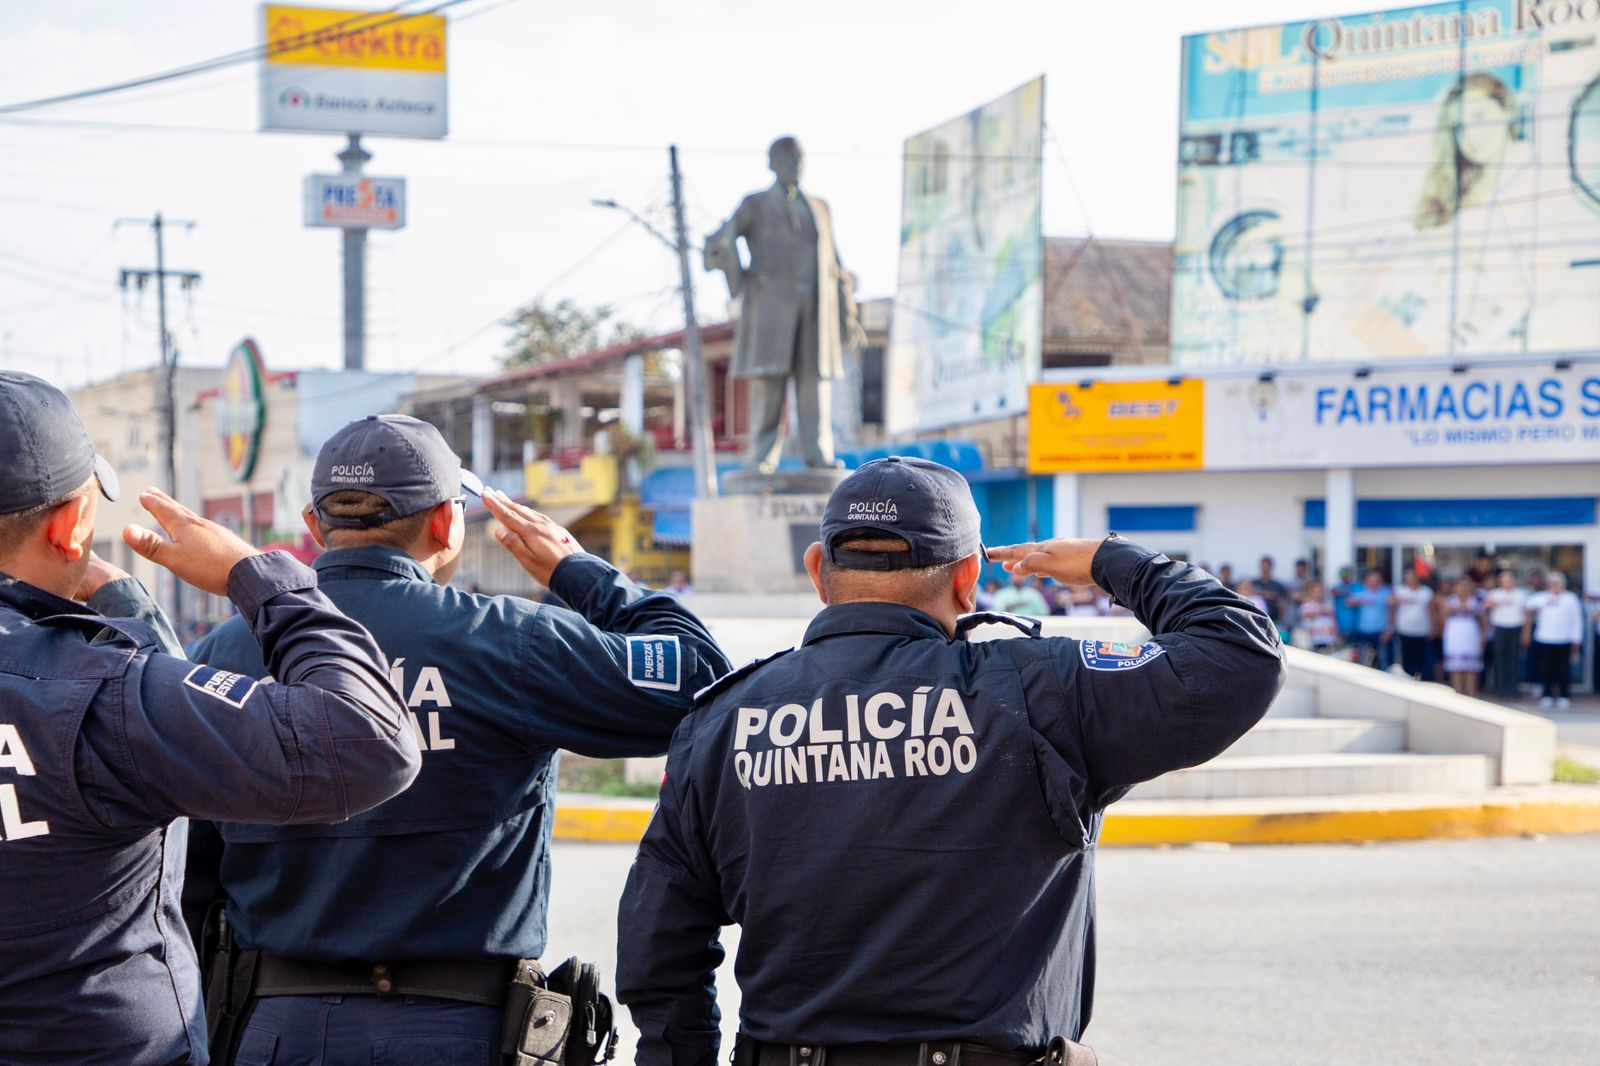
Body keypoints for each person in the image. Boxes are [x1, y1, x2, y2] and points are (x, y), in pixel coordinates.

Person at [614, 456, 1284, 1066]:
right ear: (968, 580)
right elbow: (1238, 659)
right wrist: (1116, 561)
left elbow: (660, 944)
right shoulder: (1037, 689)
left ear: (818, 569)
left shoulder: (723, 721)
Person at [186, 415, 732, 1063]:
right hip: (456, 1033)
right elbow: (701, 681)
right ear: (447, 523)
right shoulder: (506, 640)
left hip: (276, 1031)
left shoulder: (217, 657)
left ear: (315, 525)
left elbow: (189, 876)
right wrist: (578, 573)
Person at [0, 373, 419, 1064]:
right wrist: (258, 577)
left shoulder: (108, 691)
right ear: (74, 526)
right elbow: (367, 739)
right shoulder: (103, 695)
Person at [1524, 572, 1583, 709]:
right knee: (1546, 669)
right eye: (1551, 583)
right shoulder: (1542, 597)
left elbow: (1577, 619)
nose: (1554, 586)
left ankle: (1563, 695)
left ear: (1563, 584)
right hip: (1545, 638)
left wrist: (1577, 638)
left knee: (1563, 669)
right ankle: (1547, 695)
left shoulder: (1570, 598)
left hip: (1564, 638)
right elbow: (1527, 605)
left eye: (1557, 583)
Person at [1484, 570, 1528, 700]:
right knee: (1500, 660)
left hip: (1516, 628)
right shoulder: (1494, 594)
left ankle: (1513, 690)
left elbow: (1527, 615)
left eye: (1509, 580)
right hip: (1500, 628)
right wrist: (1493, 604)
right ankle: (1501, 690)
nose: (1507, 583)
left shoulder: (1521, 595)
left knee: (1514, 660)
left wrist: (1526, 633)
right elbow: (1485, 608)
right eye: (1504, 581)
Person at [1440, 577, 1485, 696]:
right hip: (1455, 635)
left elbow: (1482, 620)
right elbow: (1443, 616)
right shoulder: (1449, 601)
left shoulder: (1475, 601)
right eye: (1460, 586)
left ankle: (1470, 693)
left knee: (1471, 667)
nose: (1462, 589)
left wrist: (1482, 636)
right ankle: (1457, 693)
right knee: (1456, 667)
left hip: (1471, 634)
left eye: (1466, 586)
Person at [1344, 568, 1394, 669]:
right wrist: (1362, 601)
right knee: (1363, 660)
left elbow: (1392, 612)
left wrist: (1388, 630)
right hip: (1363, 631)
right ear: (1367, 581)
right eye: (1371, 580)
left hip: (1381, 632)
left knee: (1382, 661)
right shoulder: (1362, 592)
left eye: (1376, 580)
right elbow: (1348, 602)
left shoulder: (1386, 592)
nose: (1374, 582)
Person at [1391, 567, 1435, 679]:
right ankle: (1408, 680)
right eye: (1408, 576)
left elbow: (1432, 610)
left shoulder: (1426, 592)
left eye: (1413, 576)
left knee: (1422, 659)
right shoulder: (1399, 590)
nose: (1411, 579)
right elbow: (1390, 605)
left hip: (1422, 630)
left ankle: (1422, 681)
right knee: (1406, 658)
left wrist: (1433, 627)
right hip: (1404, 629)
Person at [1255, 555, 1289, 629]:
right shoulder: (1254, 584)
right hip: (1256, 620)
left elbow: (1283, 604)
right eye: (1263, 566)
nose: (1265, 569)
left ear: (1271, 567)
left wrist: (1282, 621)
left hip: (1274, 621)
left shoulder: (1278, 586)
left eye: (1267, 566)